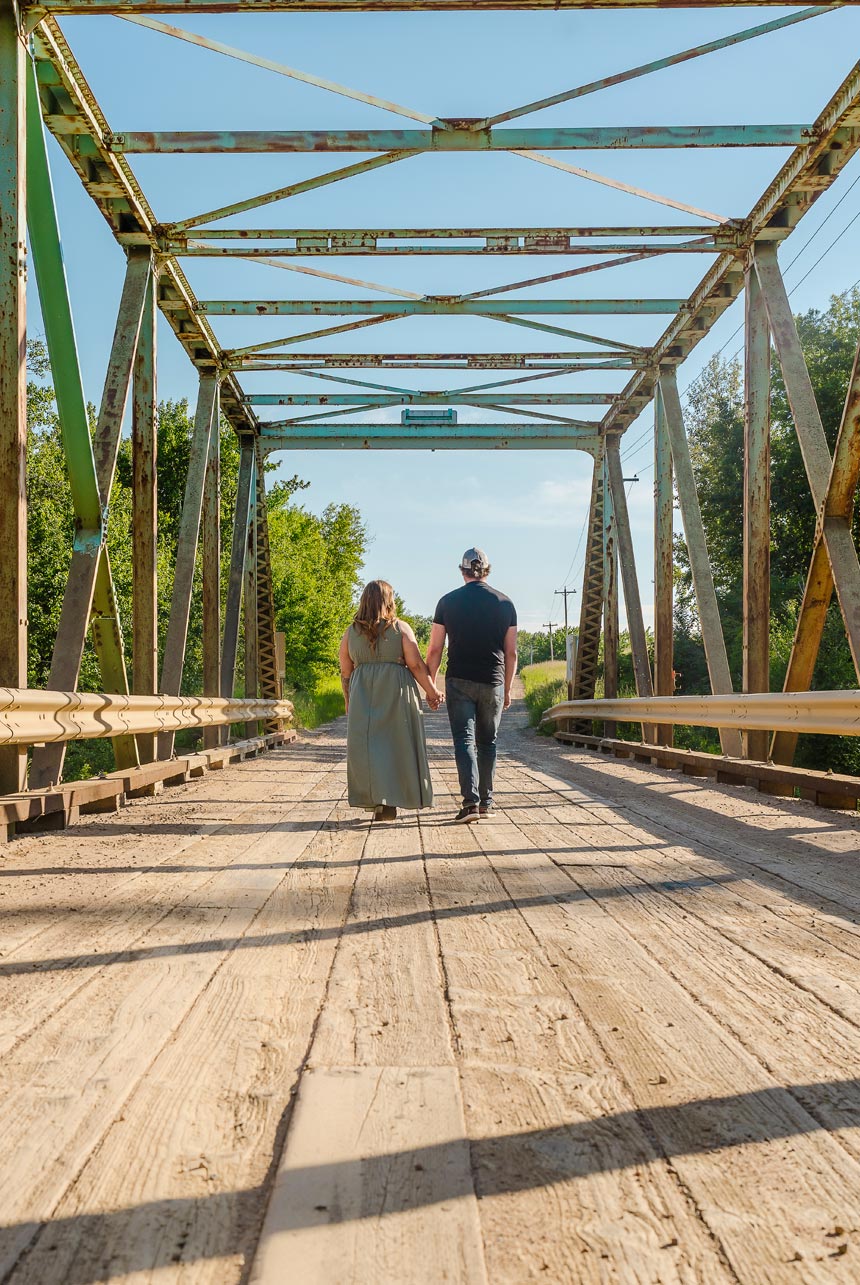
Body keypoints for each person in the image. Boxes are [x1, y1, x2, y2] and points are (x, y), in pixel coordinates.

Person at [426, 548, 517, 824]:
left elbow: (435, 650)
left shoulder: (447, 602)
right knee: (487, 742)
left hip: (459, 681)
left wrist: (430, 686)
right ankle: (486, 804)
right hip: (493, 681)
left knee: (464, 741)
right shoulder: (505, 603)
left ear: (462, 571)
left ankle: (470, 804)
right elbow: (511, 653)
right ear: (487, 571)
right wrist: (509, 689)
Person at [339, 579, 442, 822]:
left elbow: (346, 671)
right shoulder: (400, 629)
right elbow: (416, 665)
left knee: (368, 749)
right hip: (396, 693)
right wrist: (432, 691)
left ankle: (376, 800)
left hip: (363, 693)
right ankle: (391, 800)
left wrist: (348, 701)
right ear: (389, 601)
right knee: (396, 747)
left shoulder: (350, 632)